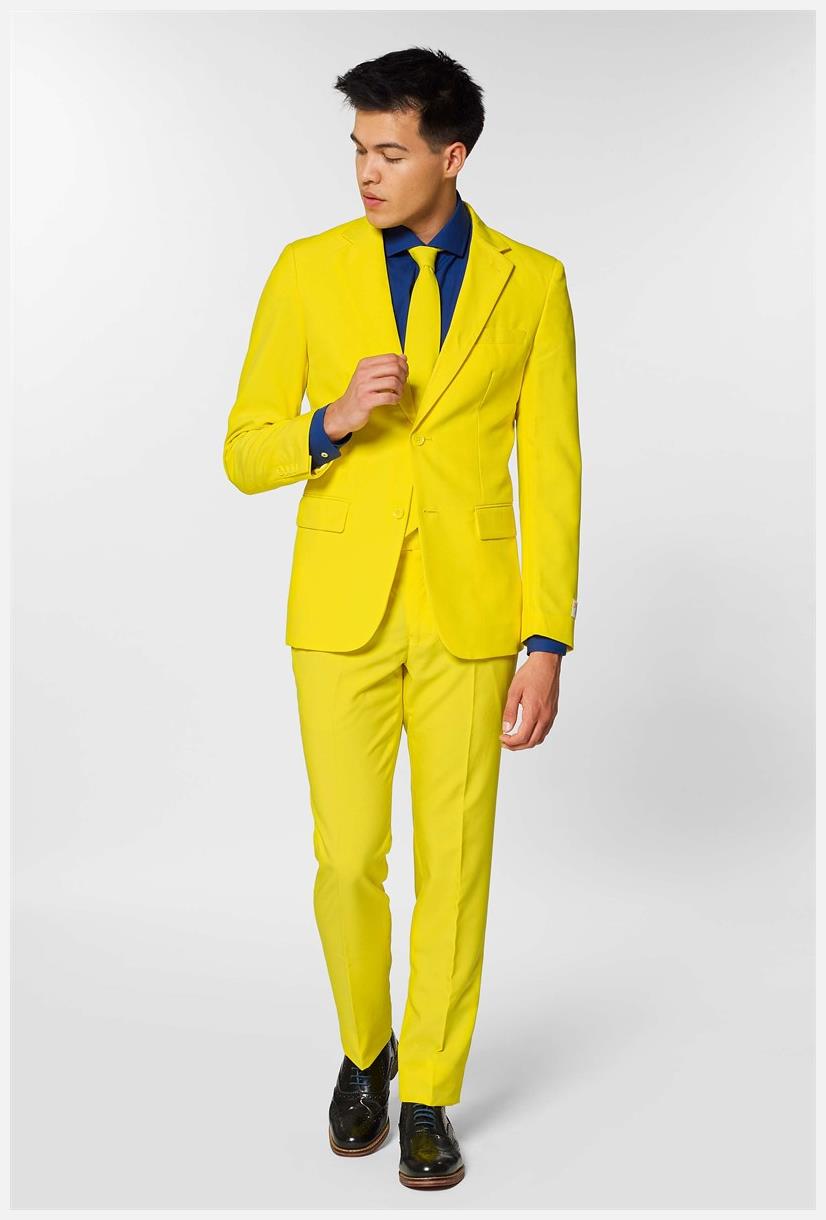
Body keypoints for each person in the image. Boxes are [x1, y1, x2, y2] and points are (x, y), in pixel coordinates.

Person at [222, 46, 581, 1192]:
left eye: (389, 151)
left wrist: (546, 637)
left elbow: (553, 472)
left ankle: (426, 1086)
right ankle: (364, 1047)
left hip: (473, 616)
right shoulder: (306, 269)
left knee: (456, 863)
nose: (367, 172)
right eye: (357, 150)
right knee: (345, 857)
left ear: (450, 155)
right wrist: (327, 422)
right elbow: (243, 451)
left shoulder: (533, 282)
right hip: (341, 610)